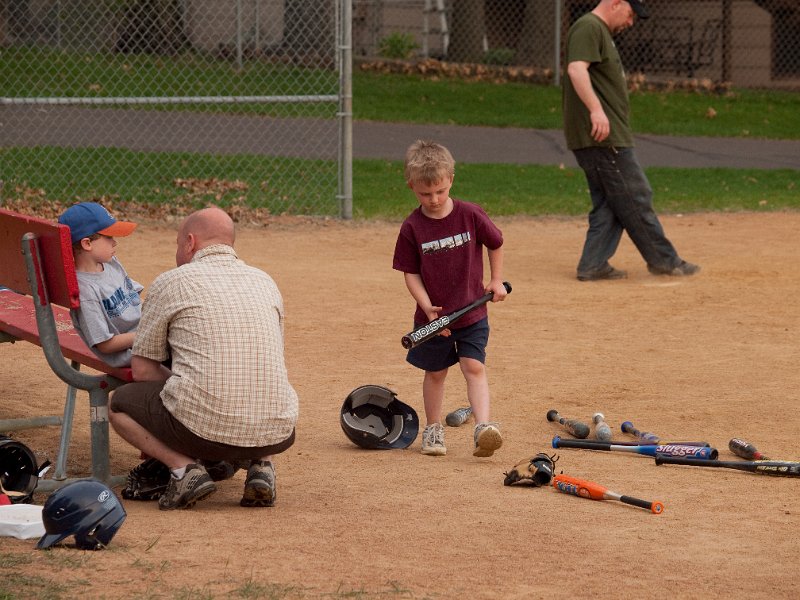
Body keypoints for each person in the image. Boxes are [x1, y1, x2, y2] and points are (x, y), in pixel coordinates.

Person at [109, 207, 299, 510]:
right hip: (278, 432)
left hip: (203, 431)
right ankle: (261, 467)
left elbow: (143, 370)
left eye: (177, 243)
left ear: (190, 242)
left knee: (118, 404)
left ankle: (184, 470)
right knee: (256, 375)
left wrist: (185, 384)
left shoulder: (171, 282)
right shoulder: (266, 281)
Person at [563, 0, 700, 281]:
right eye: (630, 13)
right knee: (636, 197)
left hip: (604, 137)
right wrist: (596, 110)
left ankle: (593, 264)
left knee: (612, 202)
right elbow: (576, 69)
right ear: (616, 4)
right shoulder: (589, 27)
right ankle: (665, 261)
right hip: (604, 138)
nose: (631, 21)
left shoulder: (599, 31)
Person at [393, 140, 507, 458]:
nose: (434, 199)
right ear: (412, 186)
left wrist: (495, 280)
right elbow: (410, 272)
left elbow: (495, 242)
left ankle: (483, 428)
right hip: (433, 318)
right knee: (436, 373)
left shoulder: (470, 215)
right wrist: (427, 307)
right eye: (425, 193)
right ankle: (432, 429)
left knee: (474, 367)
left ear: (451, 180)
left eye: (440, 191)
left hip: (472, 315)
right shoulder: (412, 228)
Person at [58, 202, 141, 367]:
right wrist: (146, 336)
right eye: (109, 237)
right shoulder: (85, 290)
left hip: (142, 333)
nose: (114, 242)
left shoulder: (110, 262)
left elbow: (135, 297)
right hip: (132, 351)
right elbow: (105, 345)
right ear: (87, 243)